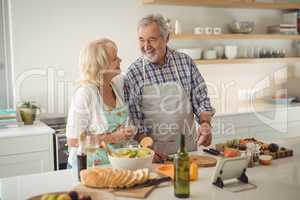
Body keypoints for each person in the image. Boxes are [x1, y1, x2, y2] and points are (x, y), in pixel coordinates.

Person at [124, 14, 215, 155]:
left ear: (166, 38)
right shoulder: (133, 73)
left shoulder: (185, 63)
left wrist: (205, 124)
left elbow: (201, 99)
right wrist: (148, 150)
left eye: (152, 40)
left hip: (187, 152)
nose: (146, 46)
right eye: (142, 40)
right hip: (154, 155)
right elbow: (133, 120)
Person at [66, 38, 134, 169]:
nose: (120, 60)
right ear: (101, 65)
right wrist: (112, 137)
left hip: (113, 165)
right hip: (86, 168)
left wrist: (126, 132)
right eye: (115, 58)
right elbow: (73, 140)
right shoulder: (85, 94)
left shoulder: (116, 85)